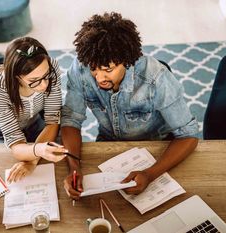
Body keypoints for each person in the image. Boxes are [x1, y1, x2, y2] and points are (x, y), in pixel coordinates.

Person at [61, 13, 199, 200]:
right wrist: (74, 168)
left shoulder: (156, 77)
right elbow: (71, 120)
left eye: (108, 70)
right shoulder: (80, 68)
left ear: (126, 61)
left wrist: (150, 174)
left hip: (155, 147)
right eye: (94, 69)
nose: (99, 78)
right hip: (107, 143)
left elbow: (188, 135)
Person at [0, 37, 68, 183]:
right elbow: (16, 143)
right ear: (16, 77)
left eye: (46, 76)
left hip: (35, 124)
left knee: (62, 163)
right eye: (34, 81)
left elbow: (53, 119)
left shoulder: (51, 66)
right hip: (0, 135)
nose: (44, 85)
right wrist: (38, 151)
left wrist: (31, 161)